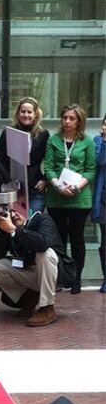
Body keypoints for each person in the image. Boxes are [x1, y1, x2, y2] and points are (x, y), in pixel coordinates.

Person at [0, 208, 68, 327]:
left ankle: (47, 307)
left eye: (16, 210)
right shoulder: (8, 226)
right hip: (29, 273)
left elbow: (43, 243)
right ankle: (29, 296)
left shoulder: (42, 219)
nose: (14, 215)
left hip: (53, 275)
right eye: (9, 212)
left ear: (27, 209)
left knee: (46, 253)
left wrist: (14, 230)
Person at [44, 104, 96, 294]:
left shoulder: (87, 142)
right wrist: (57, 185)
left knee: (77, 238)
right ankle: (60, 276)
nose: (67, 121)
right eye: (64, 117)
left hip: (79, 198)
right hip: (56, 198)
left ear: (79, 121)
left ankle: (76, 278)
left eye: (71, 118)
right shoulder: (53, 140)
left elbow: (90, 170)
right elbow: (48, 166)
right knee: (59, 239)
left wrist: (75, 186)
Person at [0, 97, 49, 213]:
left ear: (35, 114)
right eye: (23, 111)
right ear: (17, 113)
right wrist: (4, 185)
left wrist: (45, 180)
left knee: (33, 225)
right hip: (13, 191)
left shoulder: (43, 135)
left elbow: (50, 160)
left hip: (35, 190)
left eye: (29, 112)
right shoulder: (8, 133)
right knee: (15, 227)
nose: (26, 115)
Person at [92, 114, 106, 293]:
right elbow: (100, 162)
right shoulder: (97, 141)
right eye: (105, 124)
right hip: (103, 199)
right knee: (105, 244)